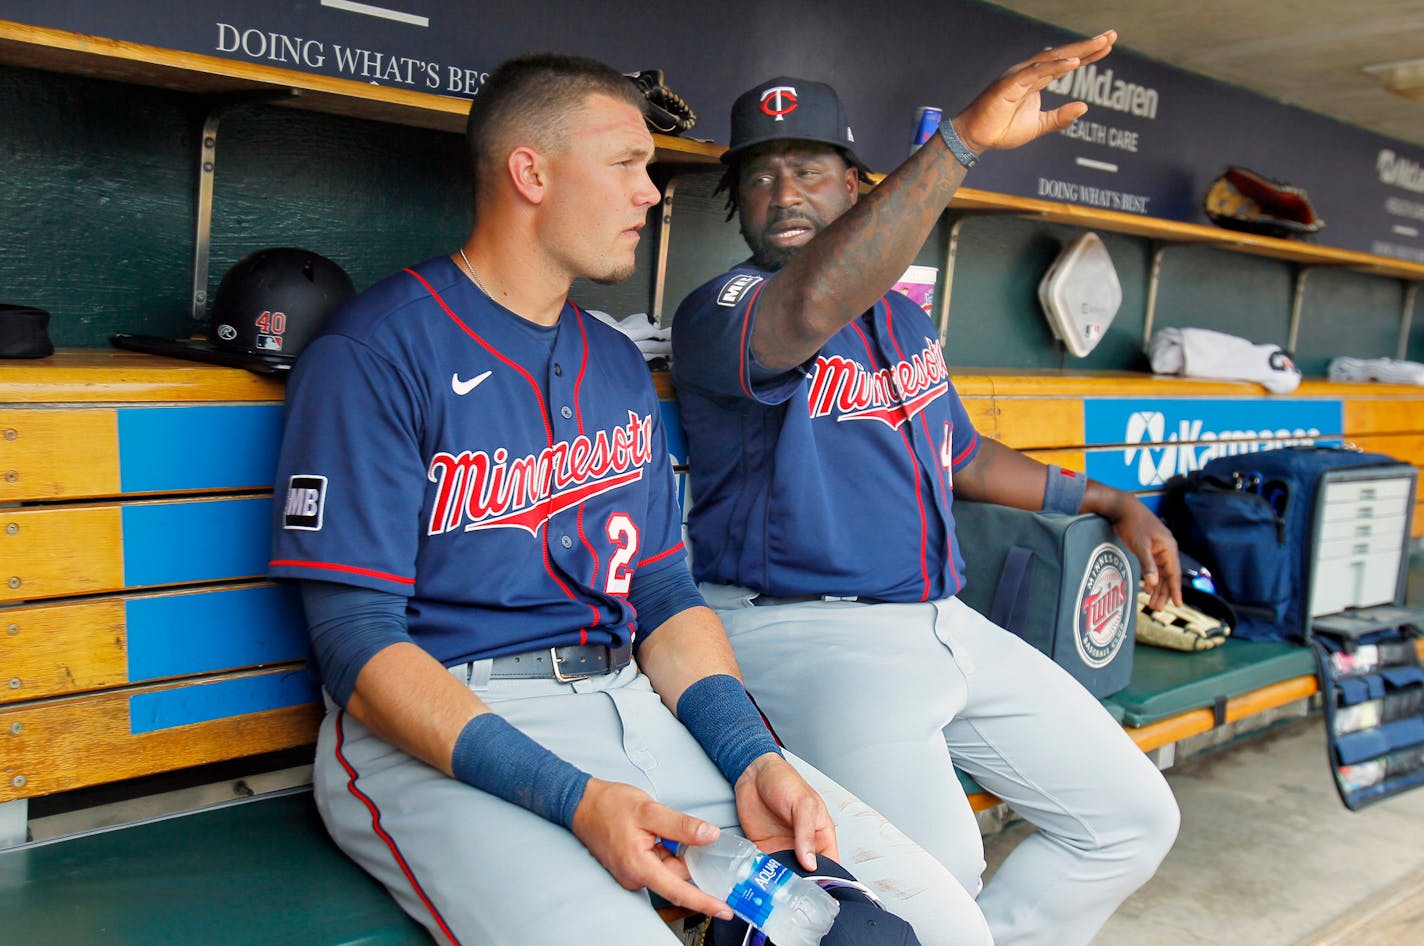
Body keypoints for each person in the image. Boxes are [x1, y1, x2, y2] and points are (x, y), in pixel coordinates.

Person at [269, 53, 990, 946]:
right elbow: (357, 648)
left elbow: (662, 596)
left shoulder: (613, 363)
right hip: (445, 737)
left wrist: (751, 755)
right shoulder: (378, 351)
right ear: (530, 172)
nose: (651, 195)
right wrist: (574, 801)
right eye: (626, 166)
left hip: (634, 706)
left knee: (935, 924)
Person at [671, 30, 1183, 946]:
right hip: (803, 629)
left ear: (856, 186)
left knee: (1133, 820)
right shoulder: (724, 309)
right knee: (937, 878)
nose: (782, 192)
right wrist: (961, 144)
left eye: (808, 169)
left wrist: (1107, 500)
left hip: (942, 620)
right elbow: (806, 310)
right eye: (758, 178)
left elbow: (963, 455)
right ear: (737, 207)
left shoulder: (901, 320)